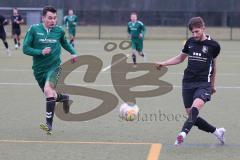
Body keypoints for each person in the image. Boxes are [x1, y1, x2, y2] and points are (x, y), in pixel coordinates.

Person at [155, 17, 225, 146]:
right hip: (187, 82)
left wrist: (212, 85)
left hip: (203, 83)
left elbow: (214, 66)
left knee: (195, 108)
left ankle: (182, 134)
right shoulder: (190, 42)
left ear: (204, 28)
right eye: (192, 32)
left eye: (197, 31)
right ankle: (217, 132)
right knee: (192, 116)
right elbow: (180, 58)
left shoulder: (214, 46)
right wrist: (164, 63)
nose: (195, 34)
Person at [23, 6, 78, 135]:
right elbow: (25, 49)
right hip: (39, 70)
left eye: (54, 18)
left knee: (48, 90)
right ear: (43, 18)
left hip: (55, 67)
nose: (53, 21)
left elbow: (65, 43)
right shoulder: (34, 29)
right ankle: (63, 97)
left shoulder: (59, 31)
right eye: (49, 18)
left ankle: (49, 125)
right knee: (51, 95)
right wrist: (40, 52)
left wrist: (73, 53)